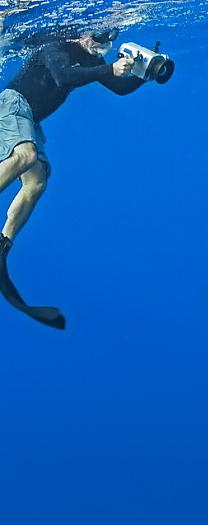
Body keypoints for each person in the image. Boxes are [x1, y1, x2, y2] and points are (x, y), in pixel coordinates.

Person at [0, 27, 145, 329]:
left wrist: (146, 73)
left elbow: (119, 87)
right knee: (25, 157)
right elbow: (64, 77)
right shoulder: (57, 47)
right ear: (82, 34)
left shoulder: (87, 60)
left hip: (30, 119)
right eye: (100, 36)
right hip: (12, 106)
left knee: (37, 181)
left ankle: (3, 243)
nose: (105, 43)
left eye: (109, 39)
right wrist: (109, 67)